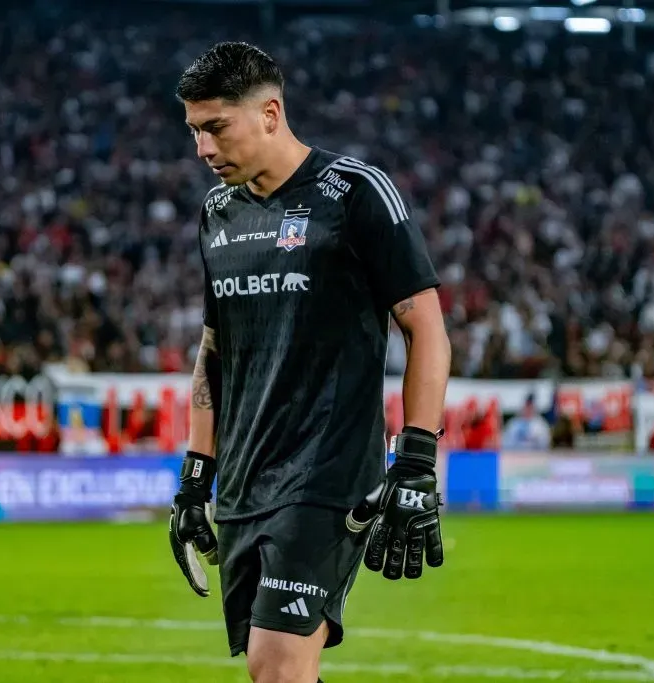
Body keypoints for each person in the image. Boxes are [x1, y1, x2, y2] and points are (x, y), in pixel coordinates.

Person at [167, 42, 452, 683]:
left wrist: (416, 461)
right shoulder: (217, 214)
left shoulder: (354, 194)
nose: (203, 151)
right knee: (273, 672)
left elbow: (425, 326)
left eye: (216, 128)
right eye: (193, 132)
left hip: (326, 476)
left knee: (278, 666)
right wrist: (194, 478)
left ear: (270, 113)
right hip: (243, 482)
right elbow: (215, 350)